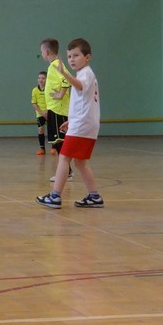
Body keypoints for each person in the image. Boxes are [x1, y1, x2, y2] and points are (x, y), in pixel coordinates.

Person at [36, 38, 104, 209]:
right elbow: (83, 103)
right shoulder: (84, 74)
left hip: (82, 126)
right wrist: (71, 121)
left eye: (76, 55)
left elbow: (80, 86)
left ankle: (55, 196)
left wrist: (64, 74)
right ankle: (94, 196)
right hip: (84, 124)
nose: (72, 59)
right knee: (80, 162)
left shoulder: (85, 73)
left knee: (64, 158)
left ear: (87, 57)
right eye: (69, 56)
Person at [40, 39, 69, 156]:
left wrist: (60, 94)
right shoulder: (53, 65)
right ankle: (65, 167)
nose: (41, 54)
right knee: (56, 141)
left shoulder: (55, 65)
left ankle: (66, 167)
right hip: (53, 108)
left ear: (46, 52)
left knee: (60, 140)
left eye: (41, 51)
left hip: (58, 109)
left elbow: (66, 80)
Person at [31, 70, 48, 155]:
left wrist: (47, 111)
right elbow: (34, 104)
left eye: (43, 78)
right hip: (40, 113)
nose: (41, 80)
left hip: (49, 112)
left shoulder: (49, 89)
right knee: (41, 129)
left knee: (52, 130)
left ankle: (54, 147)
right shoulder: (35, 90)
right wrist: (42, 113)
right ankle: (42, 148)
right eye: (39, 78)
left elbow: (52, 101)